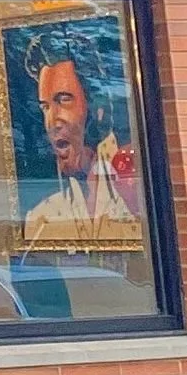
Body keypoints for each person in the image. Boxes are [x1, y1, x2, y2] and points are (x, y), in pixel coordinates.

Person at [21, 45, 140, 248]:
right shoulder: (42, 219)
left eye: (64, 100)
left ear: (98, 108)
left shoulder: (135, 183)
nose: (52, 121)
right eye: (45, 107)